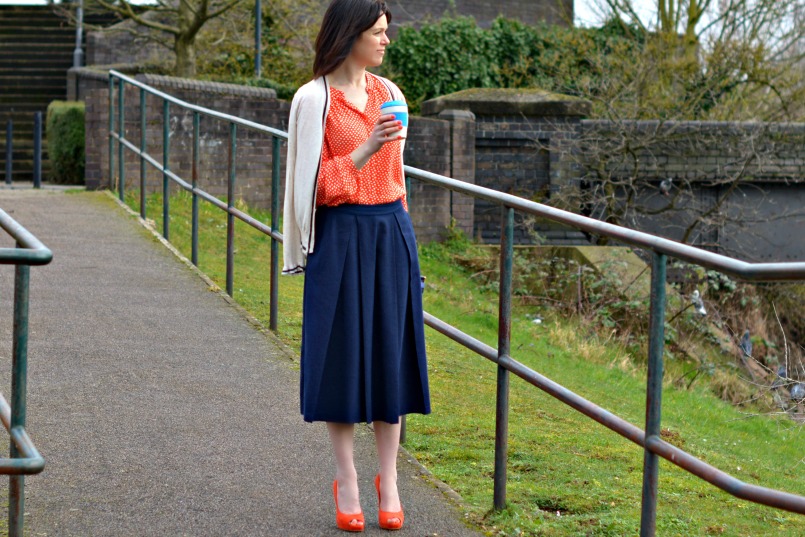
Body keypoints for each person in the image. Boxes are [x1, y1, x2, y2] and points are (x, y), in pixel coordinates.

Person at [282, 0, 430, 532]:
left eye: (387, 31)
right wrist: (366, 147)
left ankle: (387, 479)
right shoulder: (312, 100)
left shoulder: (392, 94)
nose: (386, 41)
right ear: (350, 35)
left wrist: (408, 244)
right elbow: (313, 188)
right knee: (343, 358)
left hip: (390, 231)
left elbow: (400, 176)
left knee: (390, 356)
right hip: (340, 234)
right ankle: (346, 477)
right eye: (378, 32)